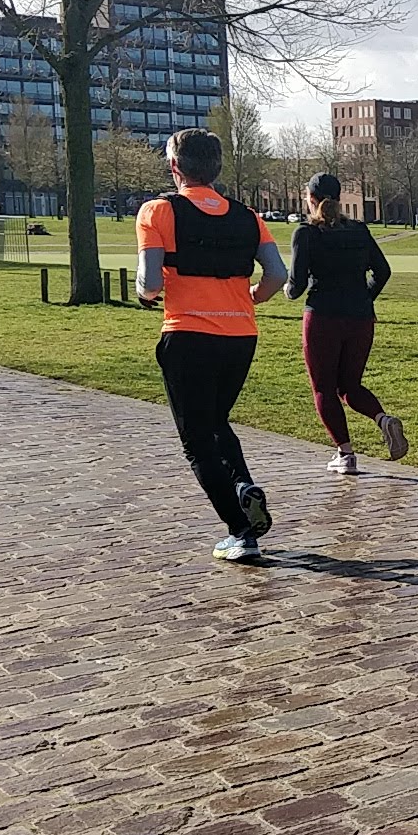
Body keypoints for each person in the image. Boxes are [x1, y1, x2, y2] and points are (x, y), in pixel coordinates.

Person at [135, 129, 286, 561]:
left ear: (175, 166)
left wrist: (146, 296)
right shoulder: (248, 215)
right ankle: (243, 487)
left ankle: (240, 531)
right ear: (217, 168)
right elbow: (276, 275)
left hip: (187, 334)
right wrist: (251, 298)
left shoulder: (158, 211)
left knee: (196, 439)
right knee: (217, 422)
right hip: (241, 335)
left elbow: (147, 282)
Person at [285, 173, 406, 475]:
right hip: (360, 318)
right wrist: (364, 298)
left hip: (323, 316)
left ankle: (345, 453)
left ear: (310, 199)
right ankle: (383, 420)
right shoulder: (360, 231)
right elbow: (383, 271)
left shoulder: (306, 234)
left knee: (324, 388)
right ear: (339, 199)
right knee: (349, 385)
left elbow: (297, 285)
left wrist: (285, 289)